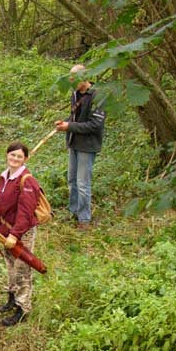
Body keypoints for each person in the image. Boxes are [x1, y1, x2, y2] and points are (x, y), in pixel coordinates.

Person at [0, 141, 41, 327]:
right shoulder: (5, 176)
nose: (15, 158)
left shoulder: (27, 181)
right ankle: (12, 298)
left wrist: (15, 234)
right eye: (12, 155)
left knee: (22, 270)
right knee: (10, 266)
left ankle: (22, 309)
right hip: (6, 229)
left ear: (25, 159)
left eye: (19, 156)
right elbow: (4, 200)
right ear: (7, 155)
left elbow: (26, 213)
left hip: (21, 233)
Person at [55, 64, 105, 230]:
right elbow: (74, 116)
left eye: (74, 78)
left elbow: (95, 125)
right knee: (72, 180)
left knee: (83, 183)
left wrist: (69, 126)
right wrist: (65, 122)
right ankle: (73, 211)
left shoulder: (98, 96)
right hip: (74, 143)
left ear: (85, 77)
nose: (71, 81)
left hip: (87, 146)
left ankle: (84, 219)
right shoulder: (75, 94)